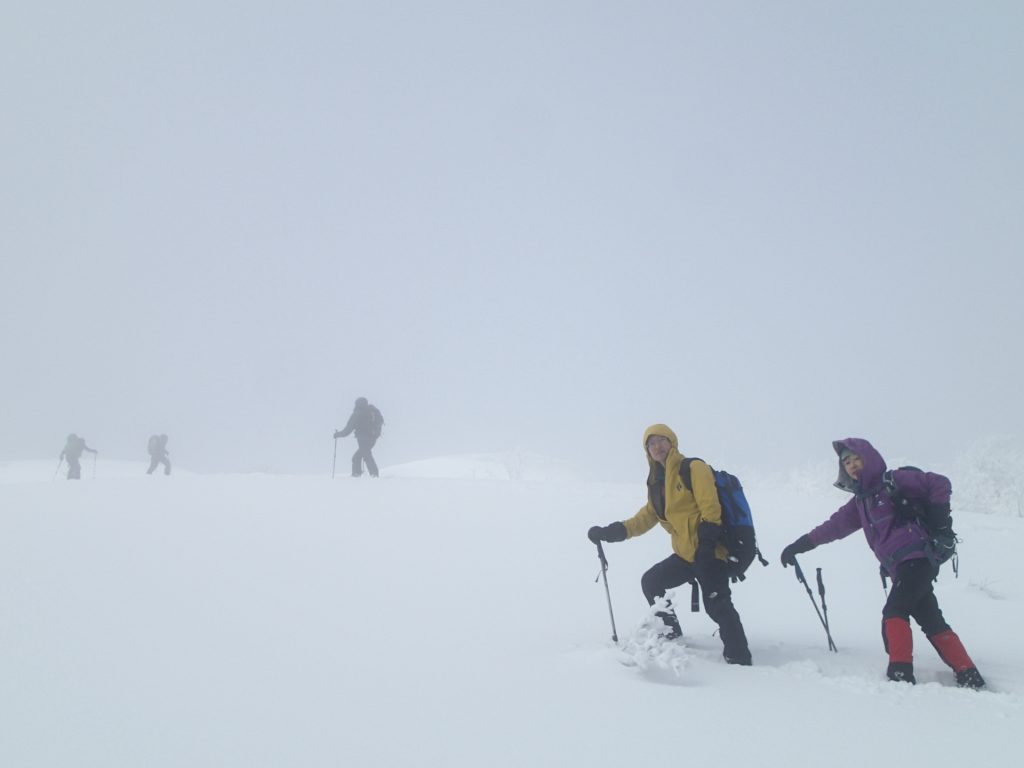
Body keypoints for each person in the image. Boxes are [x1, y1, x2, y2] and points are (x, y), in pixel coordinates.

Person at [780, 438, 985, 689]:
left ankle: (900, 674)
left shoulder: (893, 481)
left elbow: (939, 483)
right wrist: (799, 545)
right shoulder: (860, 503)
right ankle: (969, 674)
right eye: (846, 462)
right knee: (931, 619)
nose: (852, 465)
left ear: (869, 458)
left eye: (856, 458)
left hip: (918, 558)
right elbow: (833, 527)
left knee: (894, 610)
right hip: (901, 567)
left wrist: (940, 523)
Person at [587, 424, 752, 665]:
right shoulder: (658, 485)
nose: (657, 447)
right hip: (686, 555)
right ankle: (670, 633)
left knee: (718, 606)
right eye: (651, 444)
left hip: (711, 553)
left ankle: (739, 658)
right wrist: (609, 532)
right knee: (652, 581)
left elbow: (711, 510)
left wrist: (706, 549)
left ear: (672, 442)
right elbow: (643, 520)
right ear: (647, 451)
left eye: (661, 440)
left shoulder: (693, 468)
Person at [334, 397, 384, 478]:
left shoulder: (357, 413)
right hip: (373, 439)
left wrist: (337, 434)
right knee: (361, 456)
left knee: (364, 456)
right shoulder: (372, 411)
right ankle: (369, 474)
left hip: (363, 439)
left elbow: (348, 430)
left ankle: (369, 475)